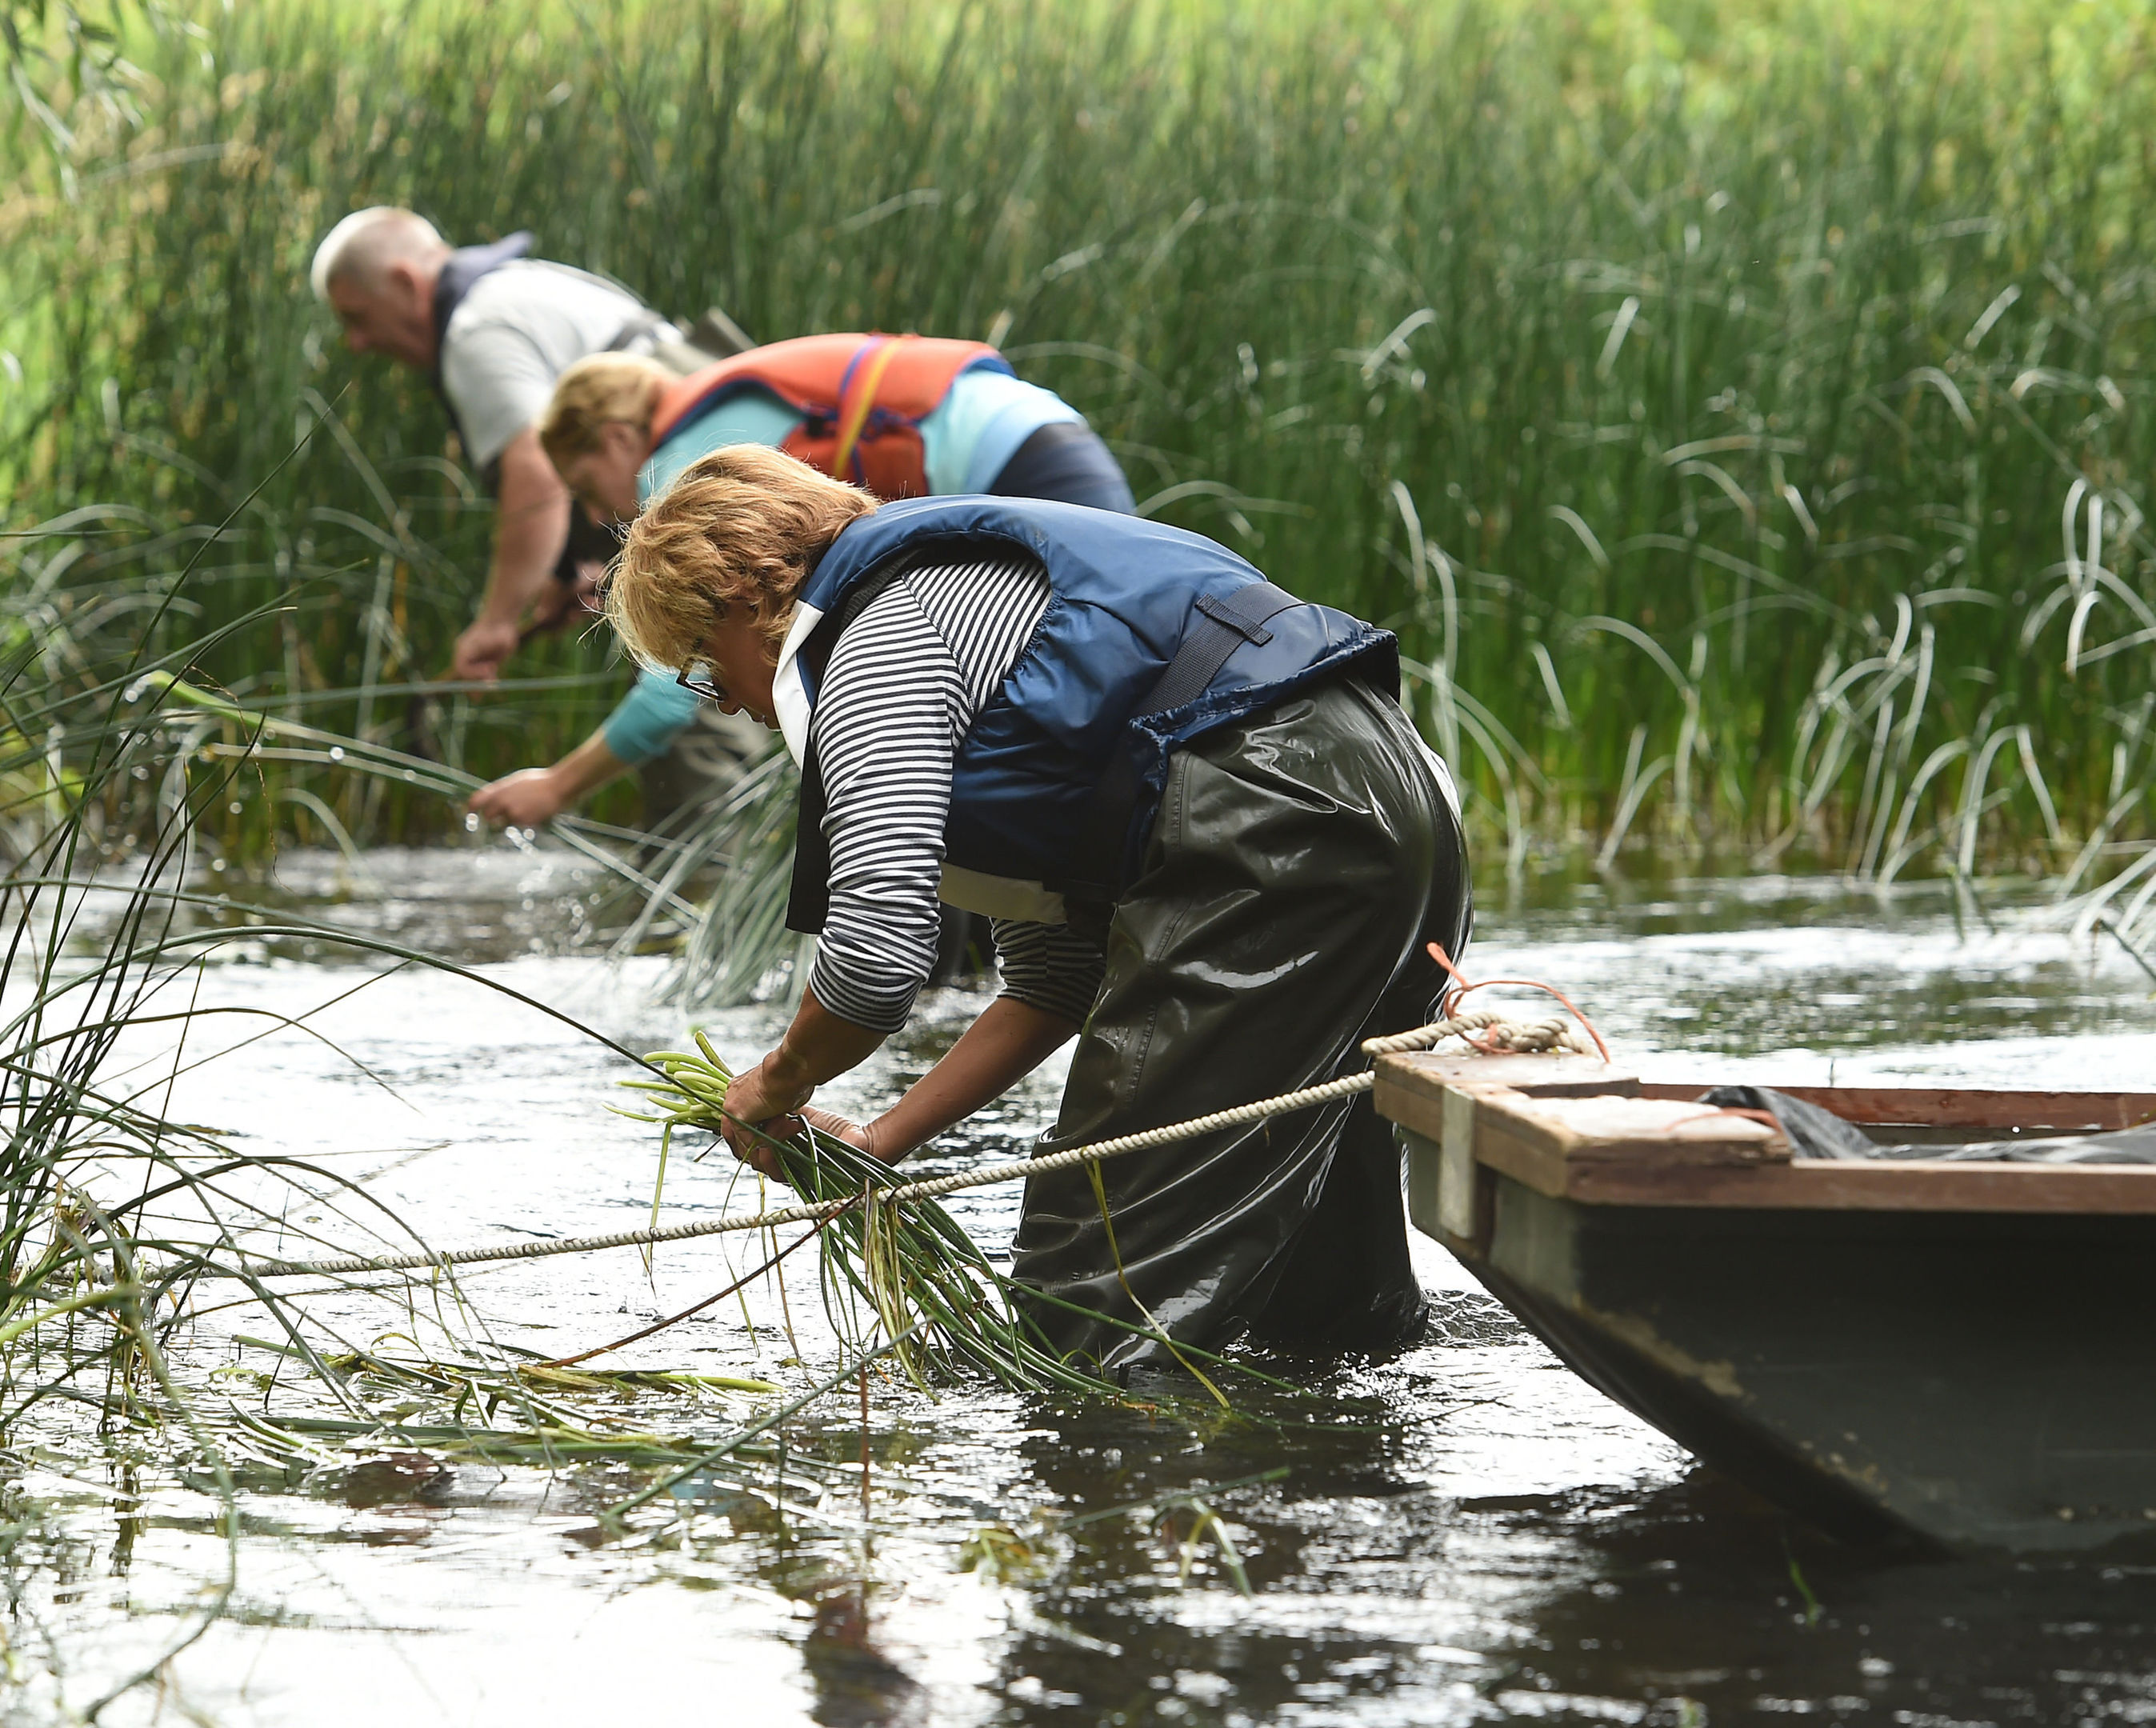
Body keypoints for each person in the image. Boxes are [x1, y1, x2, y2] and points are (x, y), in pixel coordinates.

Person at [602, 444, 1470, 1370]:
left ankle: (1103, 1493)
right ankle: (1328, 1473)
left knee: (1096, 1288)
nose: (727, 706)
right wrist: (878, 1140)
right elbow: (1056, 979)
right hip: (1395, 800)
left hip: (1269, 821)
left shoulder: (874, 639)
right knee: (1317, 1286)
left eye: (702, 667)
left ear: (737, 597)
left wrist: (775, 1083)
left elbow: (873, 958)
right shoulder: (974, 611)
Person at [466, 333, 1134, 828]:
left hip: (1022, 469)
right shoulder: (711, 414)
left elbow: (669, 693)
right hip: (1046, 435)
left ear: (615, 439)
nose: (595, 515)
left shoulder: (684, 469)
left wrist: (557, 786)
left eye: (585, 489)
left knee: (1049, 738)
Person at [308, 206, 719, 683]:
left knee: (694, 704)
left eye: (357, 318)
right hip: (713, 476)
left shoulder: (473, 332)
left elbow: (536, 474)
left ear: (405, 282)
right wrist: (568, 571)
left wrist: (496, 621)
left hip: (700, 512)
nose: (356, 343)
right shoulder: (516, 286)